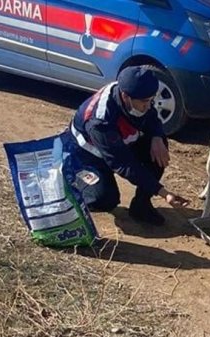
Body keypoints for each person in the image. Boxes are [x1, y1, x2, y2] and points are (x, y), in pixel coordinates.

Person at [63, 65, 189, 226]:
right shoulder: (101, 120)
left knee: (158, 149)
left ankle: (141, 206)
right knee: (105, 200)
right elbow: (123, 164)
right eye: (144, 102)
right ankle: (73, 180)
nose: (149, 105)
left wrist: (157, 136)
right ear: (125, 96)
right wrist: (163, 192)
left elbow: (151, 117)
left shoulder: (137, 96)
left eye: (151, 100)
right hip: (89, 155)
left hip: (119, 144)